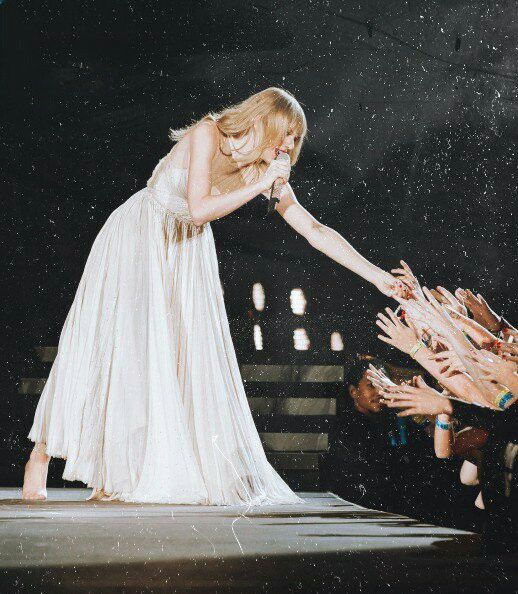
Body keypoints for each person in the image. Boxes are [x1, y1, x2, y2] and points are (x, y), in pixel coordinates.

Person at [23, 88, 403, 504]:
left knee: (170, 359)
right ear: (266, 120)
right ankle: (41, 455)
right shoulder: (209, 134)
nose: (291, 147)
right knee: (106, 344)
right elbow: (199, 207)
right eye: (288, 134)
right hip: (141, 237)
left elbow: (314, 230)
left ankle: (119, 472)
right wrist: (261, 182)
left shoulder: (262, 172)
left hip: (186, 252)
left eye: (296, 139)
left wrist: (377, 276)